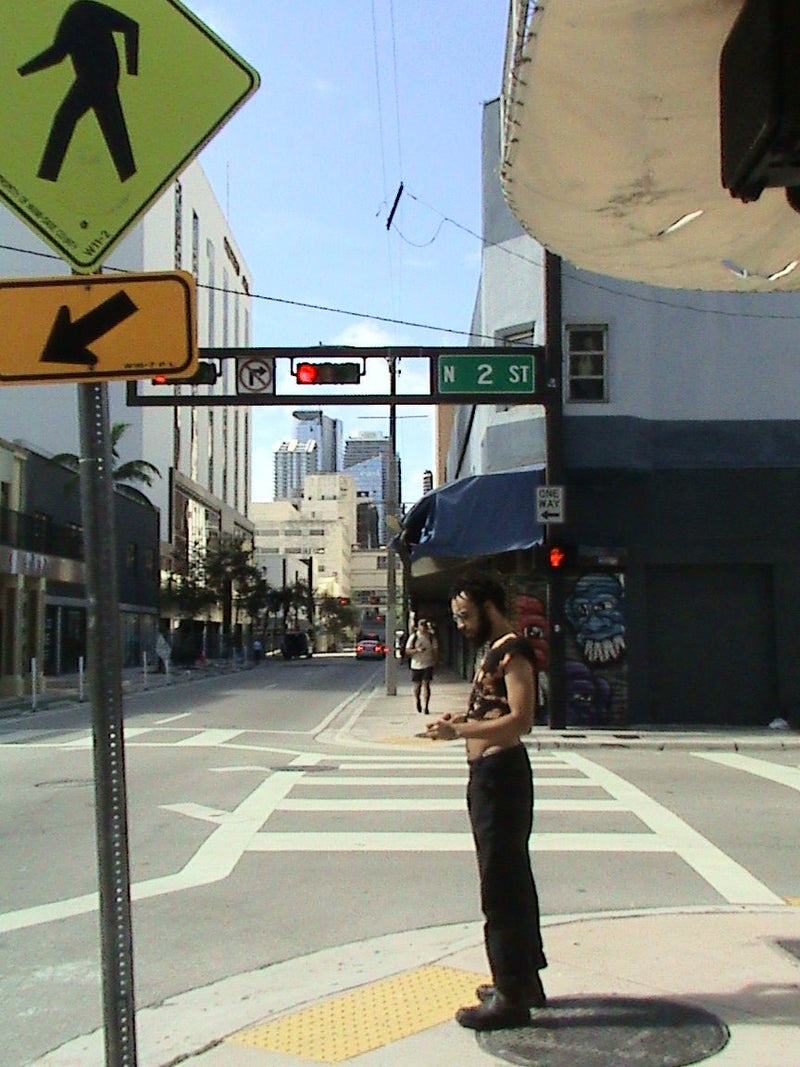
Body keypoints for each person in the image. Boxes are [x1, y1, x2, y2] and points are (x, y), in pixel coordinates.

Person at [426, 574, 547, 1031]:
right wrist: (464, 718)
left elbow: (521, 719)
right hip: (489, 778)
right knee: (508, 879)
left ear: (490, 607)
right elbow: (494, 709)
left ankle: (511, 996)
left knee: (500, 886)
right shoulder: (492, 651)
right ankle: (522, 980)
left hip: (502, 778)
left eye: (464, 615)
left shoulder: (513, 650)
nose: (459, 624)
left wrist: (459, 732)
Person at [404, 619, 438, 714]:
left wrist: (436, 661)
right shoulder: (414, 637)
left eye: (425, 626)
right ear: (418, 627)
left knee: (426, 684)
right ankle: (417, 700)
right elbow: (407, 651)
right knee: (417, 686)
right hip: (416, 664)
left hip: (428, 663)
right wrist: (416, 650)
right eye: (422, 626)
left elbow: (435, 650)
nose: (423, 628)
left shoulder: (431, 637)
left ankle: (426, 706)